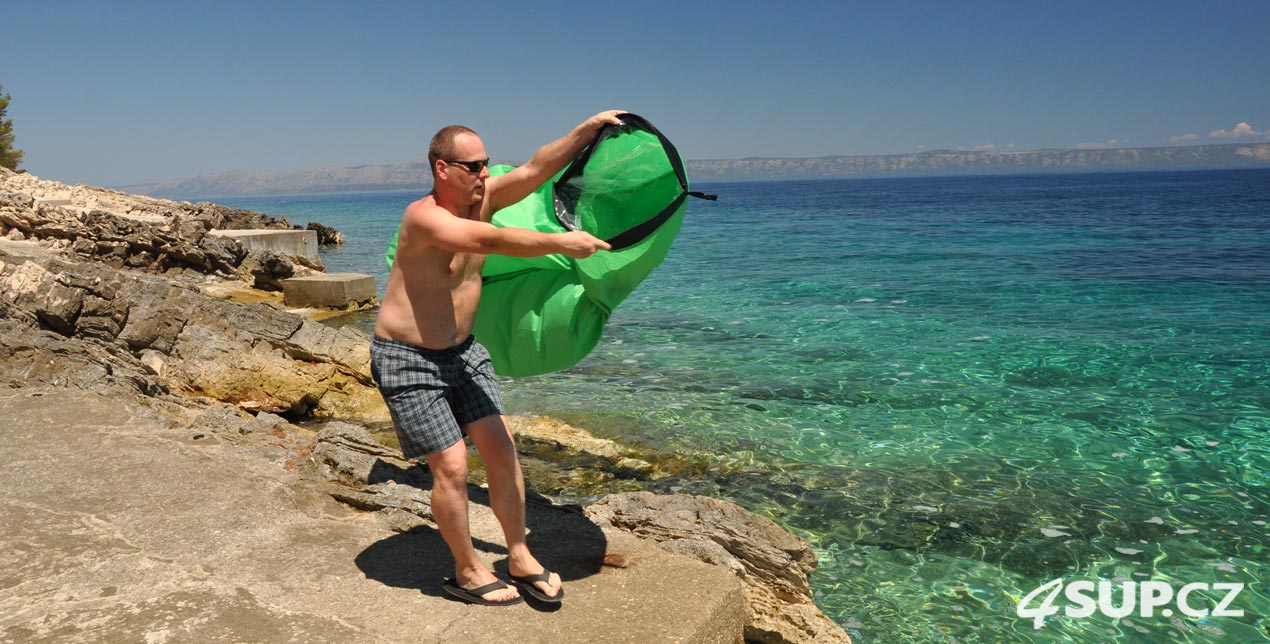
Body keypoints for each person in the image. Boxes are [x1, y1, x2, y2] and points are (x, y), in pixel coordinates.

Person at [371, 111, 622, 606]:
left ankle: (520, 554)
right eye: (473, 166)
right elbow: (486, 241)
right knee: (453, 467)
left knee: (502, 448)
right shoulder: (424, 217)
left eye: (485, 163)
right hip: (408, 358)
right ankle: (466, 570)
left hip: (462, 352)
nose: (485, 174)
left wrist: (587, 130)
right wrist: (561, 243)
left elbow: (533, 171)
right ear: (442, 168)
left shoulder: (481, 198)